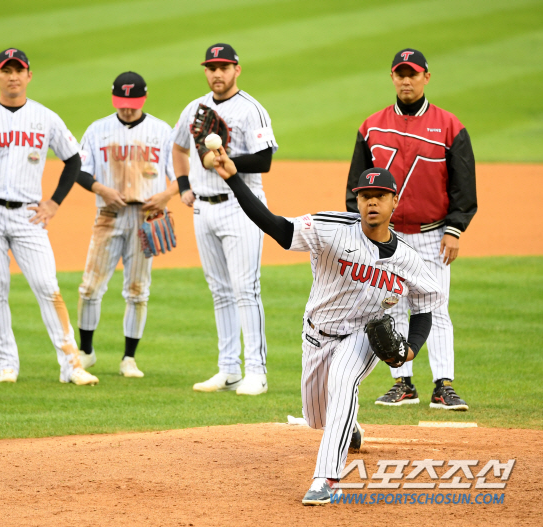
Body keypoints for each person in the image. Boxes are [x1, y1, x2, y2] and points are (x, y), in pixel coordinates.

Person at [211, 150, 444, 504]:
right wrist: (232, 178)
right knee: (316, 417)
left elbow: (425, 306)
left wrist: (411, 349)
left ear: (394, 201)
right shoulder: (330, 228)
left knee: (344, 382)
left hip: (362, 337)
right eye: (365, 197)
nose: (371, 203)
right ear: (357, 200)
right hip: (316, 334)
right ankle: (348, 428)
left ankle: (326, 480)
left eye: (380, 196)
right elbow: (276, 226)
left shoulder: (409, 260)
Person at [0, 48, 97, 386]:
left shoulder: (45, 118)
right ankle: (6, 365)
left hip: (29, 217)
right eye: (7, 70)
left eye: (19, 70)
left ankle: (71, 364)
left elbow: (74, 160)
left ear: (29, 76)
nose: (13, 76)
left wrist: (55, 203)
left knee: (48, 286)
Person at [346, 48, 476, 410]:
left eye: (413, 74)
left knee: (436, 306)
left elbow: (463, 186)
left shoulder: (450, 126)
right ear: (392, 78)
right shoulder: (371, 126)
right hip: (386, 237)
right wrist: (360, 232)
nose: (406, 80)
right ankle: (401, 382)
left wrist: (455, 228)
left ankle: (443, 385)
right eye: (400, 74)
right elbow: (355, 186)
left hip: (434, 234)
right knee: (390, 306)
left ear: (426, 78)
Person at [171, 43, 277, 395]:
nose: (217, 73)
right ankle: (229, 369)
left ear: (237, 69)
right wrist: (184, 185)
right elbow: (178, 146)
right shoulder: (194, 107)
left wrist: (225, 160)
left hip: (240, 206)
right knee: (220, 291)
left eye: (224, 67)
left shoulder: (252, 110)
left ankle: (257, 373)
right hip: (203, 208)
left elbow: (264, 160)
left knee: (246, 289)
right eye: (211, 67)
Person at [74, 71, 177, 377]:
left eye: (132, 102)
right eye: (121, 102)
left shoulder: (161, 131)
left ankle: (129, 358)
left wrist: (165, 196)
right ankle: (86, 351)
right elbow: (80, 171)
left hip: (146, 217)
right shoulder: (97, 130)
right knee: (90, 287)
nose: (127, 108)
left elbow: (181, 175)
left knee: (137, 290)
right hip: (108, 216)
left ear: (143, 99)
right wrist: (102, 190)